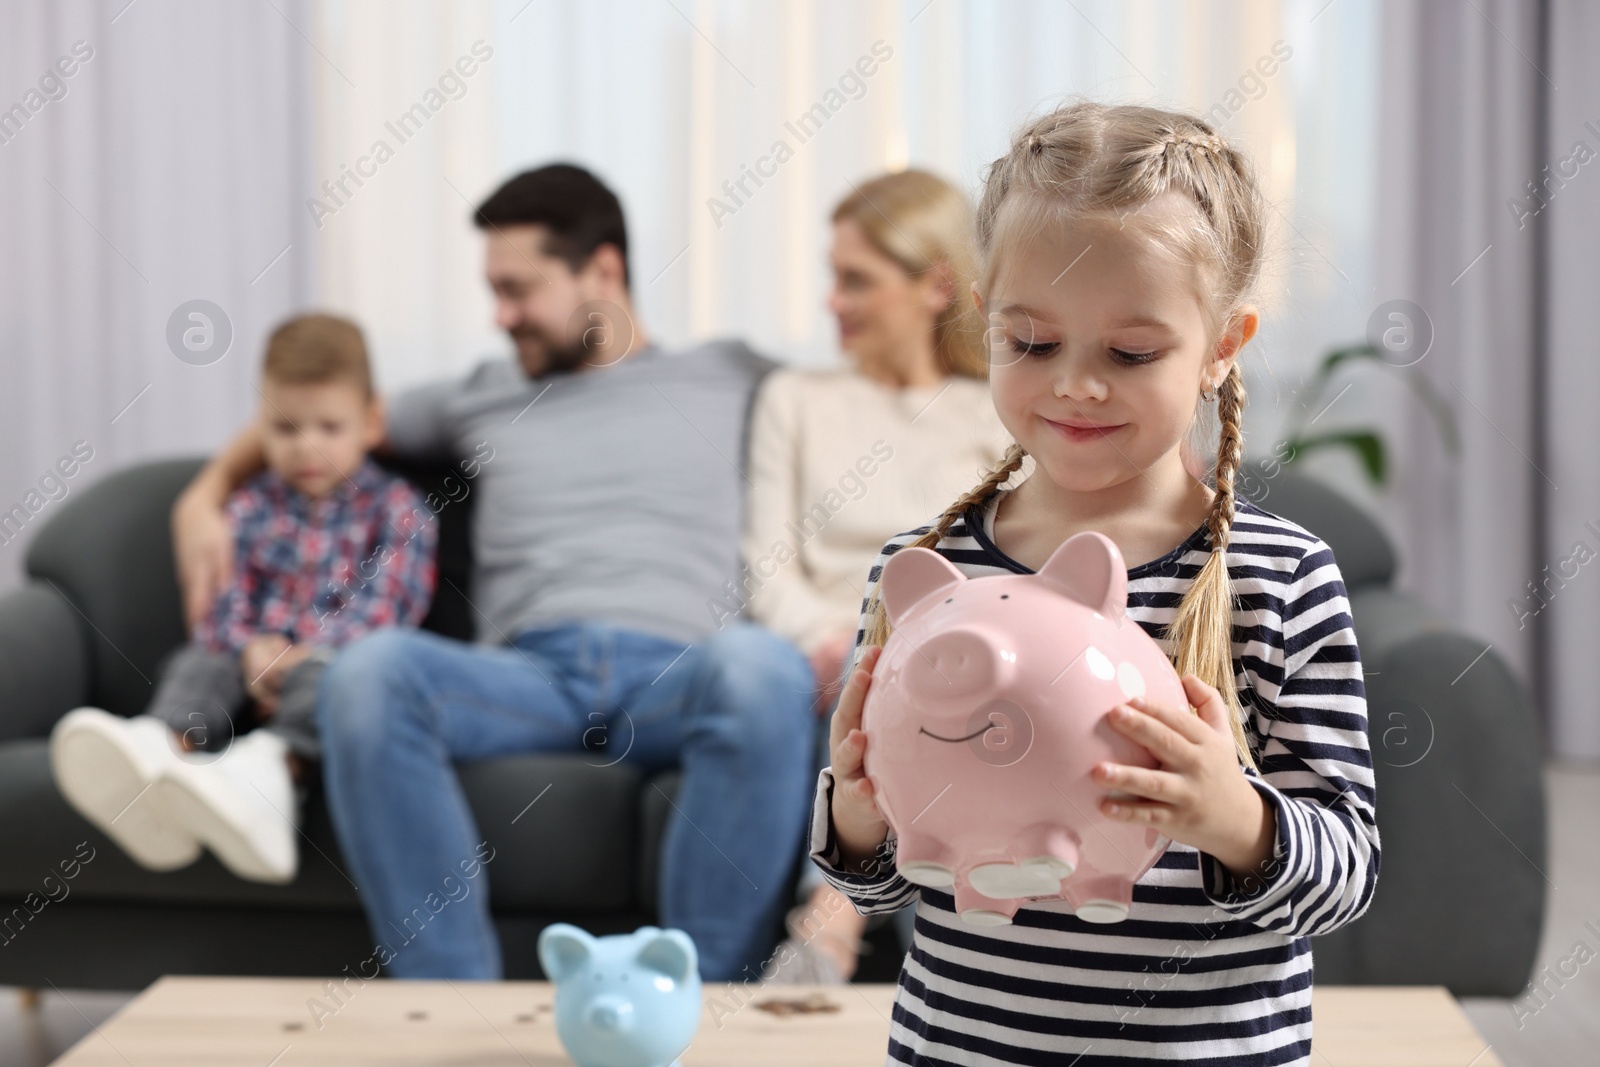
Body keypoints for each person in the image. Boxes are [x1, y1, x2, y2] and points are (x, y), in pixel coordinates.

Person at [814, 102, 1380, 1063]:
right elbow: (882, 886)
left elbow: (1347, 873)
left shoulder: (1279, 577)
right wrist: (855, 817)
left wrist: (1232, 815)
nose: (1076, 384)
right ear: (984, 316)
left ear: (1223, 348)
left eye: (1130, 352)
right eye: (1030, 343)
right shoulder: (923, 574)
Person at [169, 164, 817, 982]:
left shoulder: (734, 375)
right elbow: (316, 413)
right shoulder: (480, 391)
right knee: (367, 672)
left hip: (680, 670)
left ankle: (694, 1012)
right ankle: (452, 1012)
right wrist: (204, 493)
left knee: (763, 667)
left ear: (604, 271)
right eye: (492, 290)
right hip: (525, 677)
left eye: (518, 289)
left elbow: (869, 395)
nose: (499, 315)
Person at [51, 313, 437, 885]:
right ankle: (161, 757)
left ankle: (272, 776)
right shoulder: (250, 505)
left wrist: (300, 654)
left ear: (371, 421)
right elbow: (225, 598)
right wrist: (250, 648)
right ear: (261, 425)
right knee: (202, 661)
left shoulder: (400, 510)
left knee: (336, 675)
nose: (307, 447)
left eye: (329, 427)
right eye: (285, 428)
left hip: (332, 666)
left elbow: (387, 610)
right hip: (248, 666)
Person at [741, 170, 1012, 984]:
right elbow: (766, 569)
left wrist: (885, 658)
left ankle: (831, 920)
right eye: (832, 277)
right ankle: (855, 925)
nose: (833, 301)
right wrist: (834, 647)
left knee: (921, 695)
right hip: (814, 657)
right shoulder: (792, 397)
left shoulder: (995, 409)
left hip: (940, 656)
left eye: (855, 279)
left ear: (935, 285)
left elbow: (1000, 577)